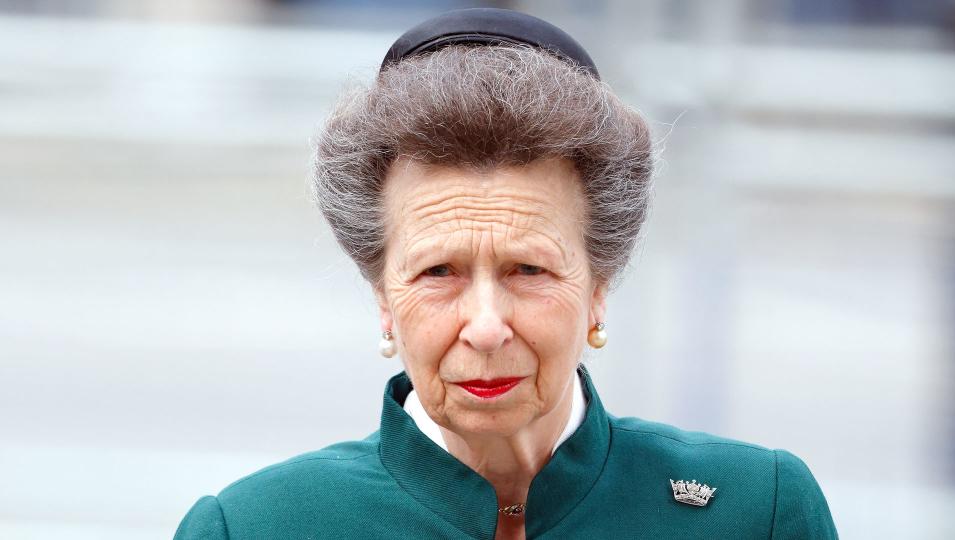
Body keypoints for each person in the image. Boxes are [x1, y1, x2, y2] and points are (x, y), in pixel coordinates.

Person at [174, 8, 837, 539]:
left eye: (528, 269)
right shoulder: (255, 527)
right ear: (382, 295)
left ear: (599, 284)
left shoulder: (758, 513)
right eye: (439, 272)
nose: (486, 328)